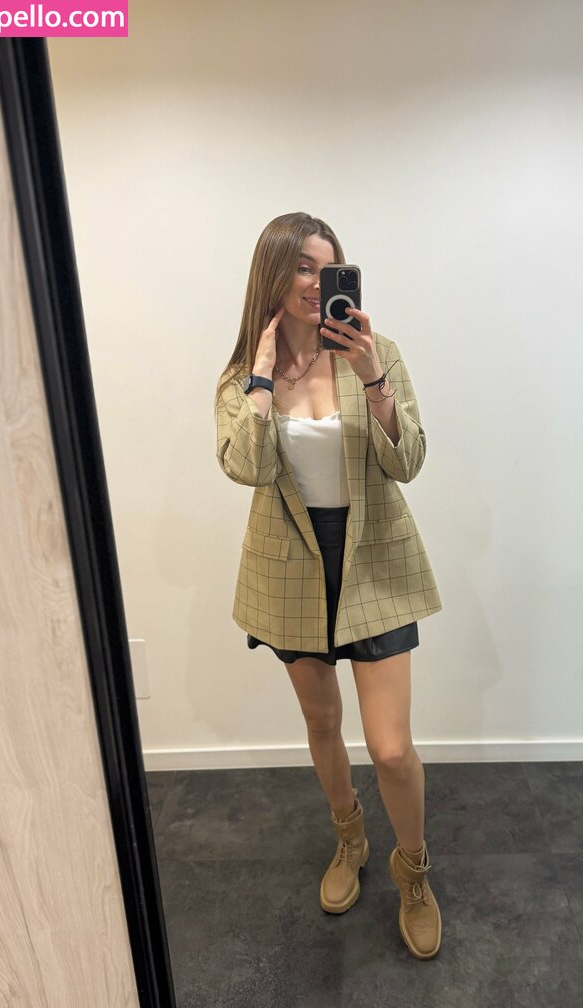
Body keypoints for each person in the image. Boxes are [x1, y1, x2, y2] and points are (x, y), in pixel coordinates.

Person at [214, 211, 443, 959]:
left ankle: (413, 873)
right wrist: (259, 378)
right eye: (304, 267)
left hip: (373, 556)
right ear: (273, 275)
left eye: (329, 267)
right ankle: (350, 840)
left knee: (391, 747)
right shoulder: (241, 375)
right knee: (321, 723)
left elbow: (408, 461)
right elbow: (245, 468)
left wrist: (373, 377)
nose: (318, 283)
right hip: (290, 566)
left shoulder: (376, 353)